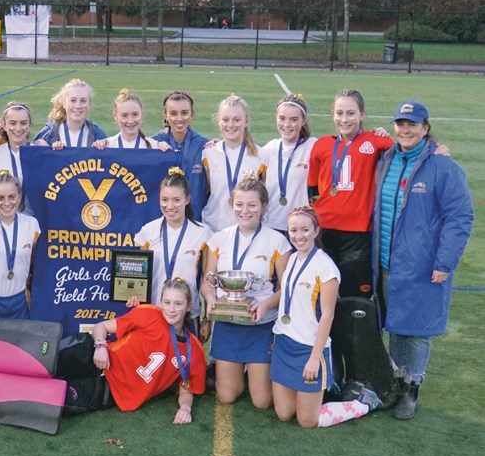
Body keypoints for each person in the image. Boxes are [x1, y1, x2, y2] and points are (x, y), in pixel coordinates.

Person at [373, 101, 473, 420]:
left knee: (417, 332)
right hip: (388, 263)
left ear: (425, 128)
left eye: (412, 124)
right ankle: (398, 383)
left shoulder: (443, 167)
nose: (405, 130)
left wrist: (444, 262)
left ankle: (412, 390)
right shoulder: (386, 159)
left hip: (423, 266)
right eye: (400, 124)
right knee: (396, 326)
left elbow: (459, 217)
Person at [271, 207, 383, 427]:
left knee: (307, 420)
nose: (299, 235)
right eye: (293, 230)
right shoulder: (292, 259)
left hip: (309, 348)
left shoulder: (326, 268)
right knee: (284, 414)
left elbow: (328, 316)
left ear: (316, 231)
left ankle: (363, 402)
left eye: (305, 230)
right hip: (284, 343)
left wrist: (314, 358)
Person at [201, 173, 291, 408]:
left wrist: (266, 304)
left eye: (252, 205)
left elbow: (285, 288)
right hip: (228, 324)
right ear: (232, 205)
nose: (245, 210)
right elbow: (208, 280)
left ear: (263, 206)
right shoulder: (219, 239)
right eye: (239, 204)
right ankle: (236, 370)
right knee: (227, 396)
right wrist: (210, 298)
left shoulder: (278, 241)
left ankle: (256, 368)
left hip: (260, 326)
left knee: (262, 402)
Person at [307, 89, 392, 298]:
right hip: (324, 231)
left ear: (362, 114)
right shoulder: (322, 144)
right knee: (319, 293)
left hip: (358, 233)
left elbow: (407, 149)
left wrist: (435, 148)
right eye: (339, 113)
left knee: (353, 296)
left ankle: (351, 332)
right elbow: (313, 188)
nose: (344, 119)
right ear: (333, 115)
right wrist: (322, 208)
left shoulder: (375, 141)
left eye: (351, 113)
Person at [92, 278, 207, 424]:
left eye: (178, 304)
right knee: (56, 360)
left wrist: (185, 408)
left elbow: (186, 388)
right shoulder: (148, 314)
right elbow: (101, 327)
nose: (171, 309)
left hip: (111, 389)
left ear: (189, 306)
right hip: (98, 357)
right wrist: (100, 346)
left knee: (63, 397)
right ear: (161, 302)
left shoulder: (194, 350)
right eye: (167, 302)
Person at [131, 167, 212, 332]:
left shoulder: (203, 233)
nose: (169, 206)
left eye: (176, 200)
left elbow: (207, 279)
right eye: (164, 199)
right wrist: (133, 293)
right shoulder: (148, 231)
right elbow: (138, 276)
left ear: (187, 199)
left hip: (187, 314)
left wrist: (208, 319)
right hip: (154, 311)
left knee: (186, 357)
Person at [0, 171, 41, 320]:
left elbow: (36, 265)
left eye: (12, 197)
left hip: (19, 302)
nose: (6, 203)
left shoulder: (31, 225)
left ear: (19, 196)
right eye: (0, 198)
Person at [202, 94, 267, 232]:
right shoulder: (208, 153)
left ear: (246, 121)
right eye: (225, 120)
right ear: (218, 121)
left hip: (246, 230)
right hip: (213, 228)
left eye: (237, 120)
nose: (230, 125)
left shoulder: (261, 156)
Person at [262, 94, 317, 234]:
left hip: (301, 229)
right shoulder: (269, 149)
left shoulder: (312, 146)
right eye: (282, 118)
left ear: (303, 120)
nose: (287, 125)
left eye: (294, 120)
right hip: (271, 225)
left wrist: (379, 134)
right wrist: (217, 144)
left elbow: (341, 147)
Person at [151, 91, 210, 221]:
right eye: (173, 113)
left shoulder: (205, 146)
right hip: (162, 222)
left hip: (196, 222)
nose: (179, 119)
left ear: (192, 114)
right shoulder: (152, 145)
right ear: (165, 115)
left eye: (184, 113)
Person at [33, 78, 107, 148]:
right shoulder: (49, 133)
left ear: (89, 104)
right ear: (64, 103)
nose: (78, 106)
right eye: (73, 100)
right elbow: (31, 155)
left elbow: (112, 157)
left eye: (83, 101)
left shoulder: (97, 134)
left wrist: (102, 149)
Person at [0, 101, 34, 215]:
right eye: (13, 123)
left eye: (23, 123)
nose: (18, 128)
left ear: (30, 126)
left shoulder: (38, 153)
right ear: (4, 125)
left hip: (30, 221)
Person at [93, 89, 169, 150]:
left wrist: (166, 151)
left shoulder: (155, 147)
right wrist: (95, 149)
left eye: (135, 114)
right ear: (115, 116)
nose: (130, 121)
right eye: (124, 115)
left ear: (142, 113)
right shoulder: (106, 146)